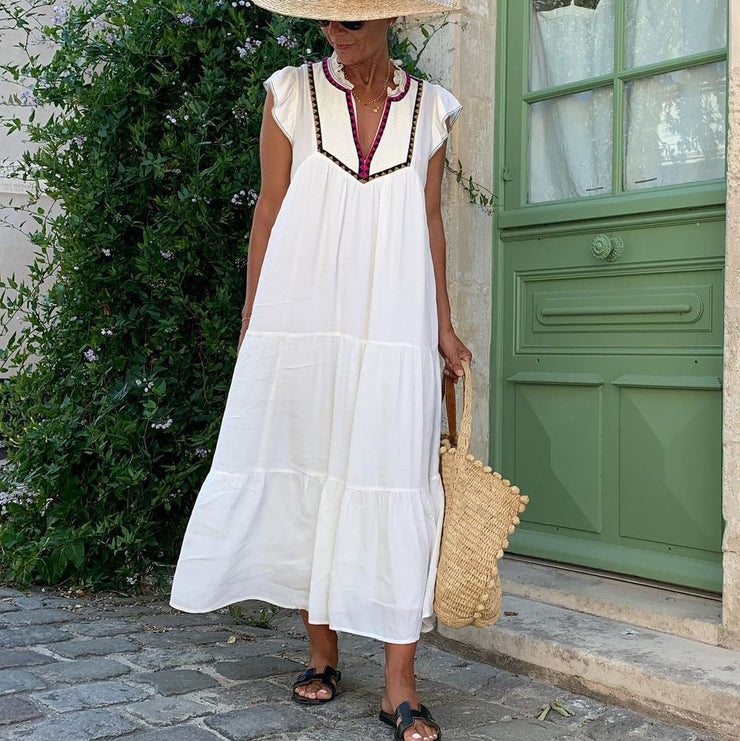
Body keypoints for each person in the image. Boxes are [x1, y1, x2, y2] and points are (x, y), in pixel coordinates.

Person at [169, 1, 471, 739]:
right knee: (309, 461)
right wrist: (252, 319)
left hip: (393, 321)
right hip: (303, 312)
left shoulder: (432, 111)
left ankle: (400, 681)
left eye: (355, 24)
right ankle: (321, 648)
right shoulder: (289, 95)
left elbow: (429, 219)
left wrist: (443, 325)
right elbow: (269, 209)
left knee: (396, 473)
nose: (339, 37)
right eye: (330, 23)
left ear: (390, 20)